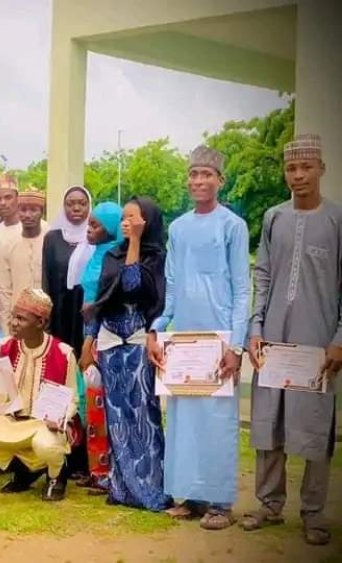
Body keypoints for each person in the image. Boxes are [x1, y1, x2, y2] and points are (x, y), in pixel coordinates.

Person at [244, 134, 342, 546]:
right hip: (274, 340)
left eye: (306, 167)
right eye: (291, 168)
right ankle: (269, 504)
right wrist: (255, 328)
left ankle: (314, 513)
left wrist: (339, 339)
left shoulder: (337, 220)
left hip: (318, 342)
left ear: (321, 168)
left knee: (315, 426)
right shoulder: (274, 217)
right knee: (269, 421)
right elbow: (263, 274)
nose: (298, 175)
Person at [147, 146, 250, 527]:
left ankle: (220, 503)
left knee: (218, 419)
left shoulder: (232, 226)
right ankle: (190, 497)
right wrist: (157, 330)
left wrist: (235, 345)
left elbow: (242, 289)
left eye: (206, 174)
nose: (198, 181)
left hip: (220, 338)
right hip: (184, 340)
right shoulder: (178, 227)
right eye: (193, 173)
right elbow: (171, 290)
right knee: (185, 418)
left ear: (220, 180)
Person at [0, 288, 81, 501]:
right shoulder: (4, 347)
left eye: (21, 319)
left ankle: (56, 475)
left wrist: (60, 419)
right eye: (13, 316)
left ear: (40, 323)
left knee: (46, 445)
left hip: (43, 426)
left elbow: (73, 399)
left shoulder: (63, 353)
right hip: (11, 422)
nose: (13, 323)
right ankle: (25, 468)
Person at [87, 196, 170, 512]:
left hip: (137, 340)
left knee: (143, 413)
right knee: (117, 416)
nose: (125, 223)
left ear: (146, 222)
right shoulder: (112, 255)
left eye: (132, 218)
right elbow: (100, 300)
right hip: (110, 342)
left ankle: (149, 488)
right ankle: (122, 487)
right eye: (122, 218)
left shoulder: (156, 257)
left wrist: (135, 241)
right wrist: (89, 339)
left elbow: (134, 287)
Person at [77, 201, 123, 493]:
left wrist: (89, 342)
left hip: (104, 336)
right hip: (88, 333)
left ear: (113, 230)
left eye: (96, 226)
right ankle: (96, 470)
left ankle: (113, 472)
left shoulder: (115, 258)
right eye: (89, 225)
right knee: (90, 402)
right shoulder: (95, 255)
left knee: (108, 404)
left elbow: (104, 304)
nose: (89, 230)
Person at [43, 185, 91, 357]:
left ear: (89, 206)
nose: (76, 208)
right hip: (58, 313)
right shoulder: (52, 238)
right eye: (70, 204)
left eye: (82, 203)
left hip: (86, 313)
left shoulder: (94, 236)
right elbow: (46, 279)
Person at [0, 188, 49, 333]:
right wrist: (7, 328)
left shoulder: (51, 238)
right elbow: (4, 290)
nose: (27, 215)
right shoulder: (8, 244)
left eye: (33, 210)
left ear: (42, 211)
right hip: (18, 320)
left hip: (47, 320)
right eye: (23, 210)